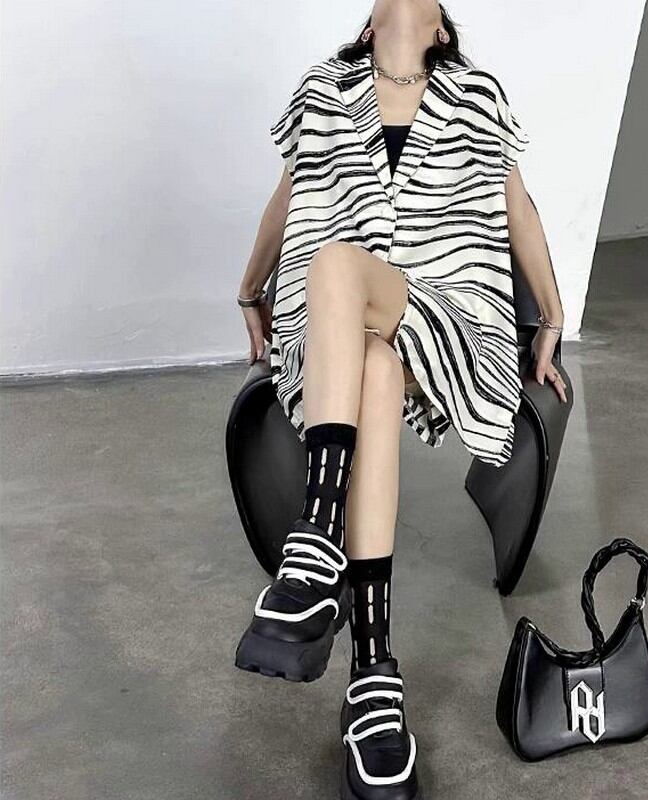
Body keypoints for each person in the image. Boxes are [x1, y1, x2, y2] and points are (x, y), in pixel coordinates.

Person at [235, 2, 566, 797]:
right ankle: (373, 679)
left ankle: (315, 545)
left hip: (449, 313)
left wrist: (552, 316)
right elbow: (290, 194)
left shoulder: (476, 94)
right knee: (374, 368)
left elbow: (516, 207)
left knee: (335, 263)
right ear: (368, 26)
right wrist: (250, 290)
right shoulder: (325, 88)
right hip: (346, 333)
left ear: (441, 31)